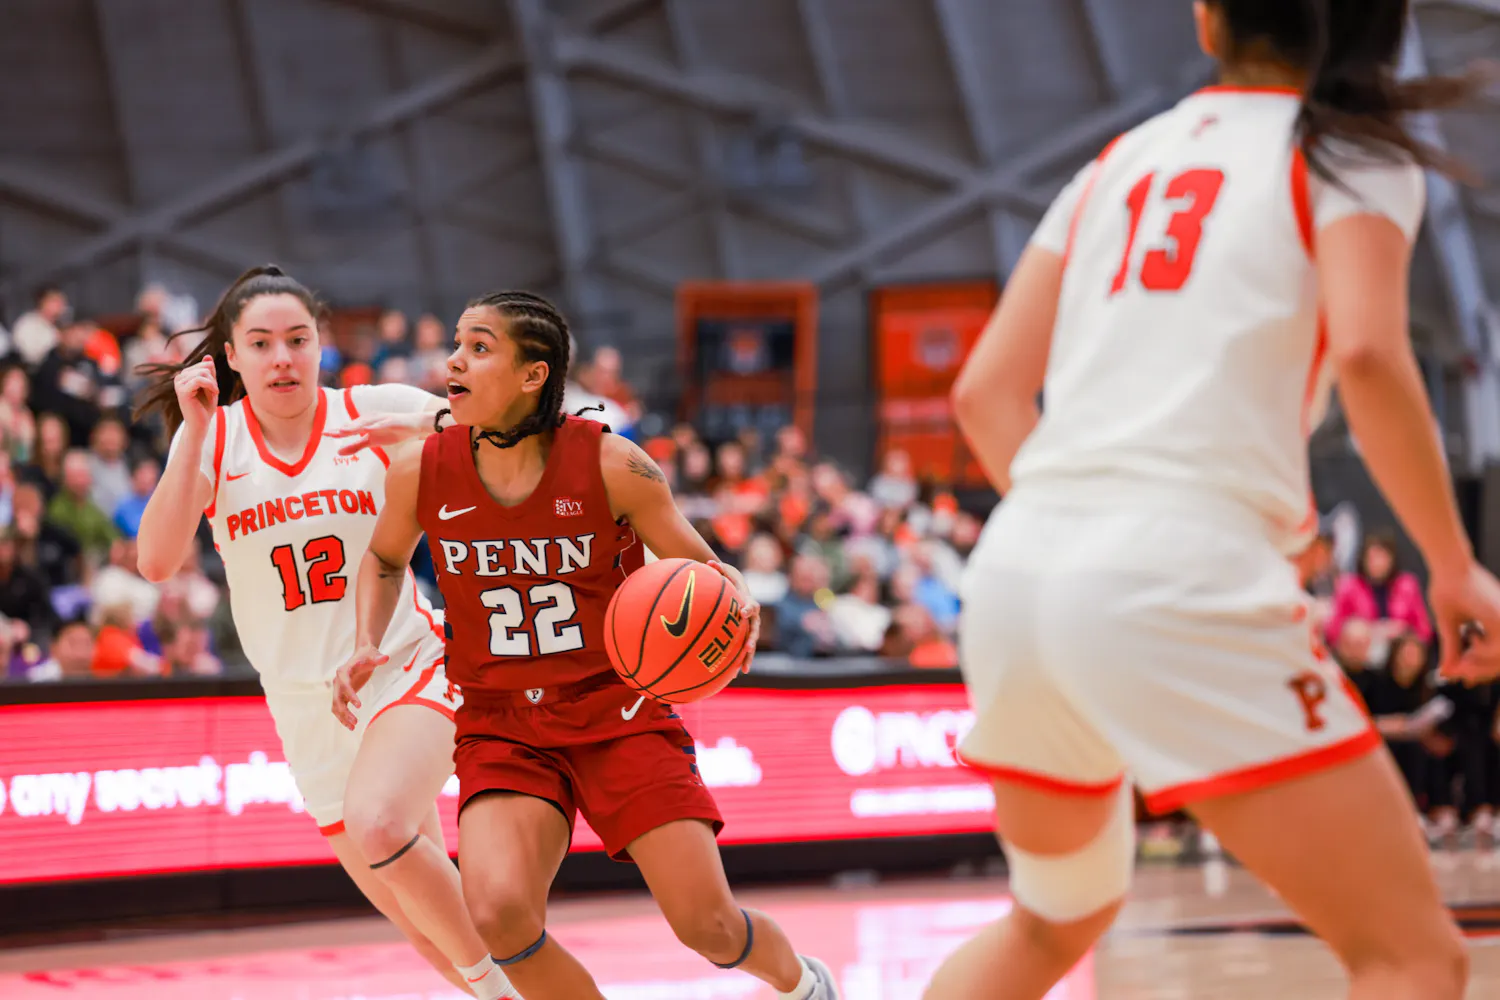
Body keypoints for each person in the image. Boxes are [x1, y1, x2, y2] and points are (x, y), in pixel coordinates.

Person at [928, 3, 1500, 999]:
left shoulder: (1116, 162)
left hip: (1018, 569)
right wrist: (1454, 563)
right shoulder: (1348, 153)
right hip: (1170, 566)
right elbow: (1367, 352)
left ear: (1209, 22)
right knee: (1411, 956)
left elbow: (982, 394)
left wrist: (1087, 554)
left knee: (1050, 923)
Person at [333, 290, 838, 1000]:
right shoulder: (422, 468)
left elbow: (700, 568)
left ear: (532, 374)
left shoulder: (613, 465)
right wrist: (365, 639)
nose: (453, 358)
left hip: (618, 713)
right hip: (502, 724)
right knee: (499, 917)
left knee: (710, 927)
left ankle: (802, 985)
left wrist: (736, 594)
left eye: (479, 347)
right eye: (456, 342)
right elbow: (385, 559)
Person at [133, 266, 518, 1000]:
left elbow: (515, 434)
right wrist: (193, 430)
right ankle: (519, 984)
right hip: (304, 708)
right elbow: (154, 560)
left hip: (403, 662)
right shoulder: (216, 444)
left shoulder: (372, 411)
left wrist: (436, 428)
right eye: (262, 343)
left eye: (298, 340)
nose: (283, 357)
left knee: (382, 826)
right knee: (427, 931)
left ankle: (523, 991)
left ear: (321, 346)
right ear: (232, 357)